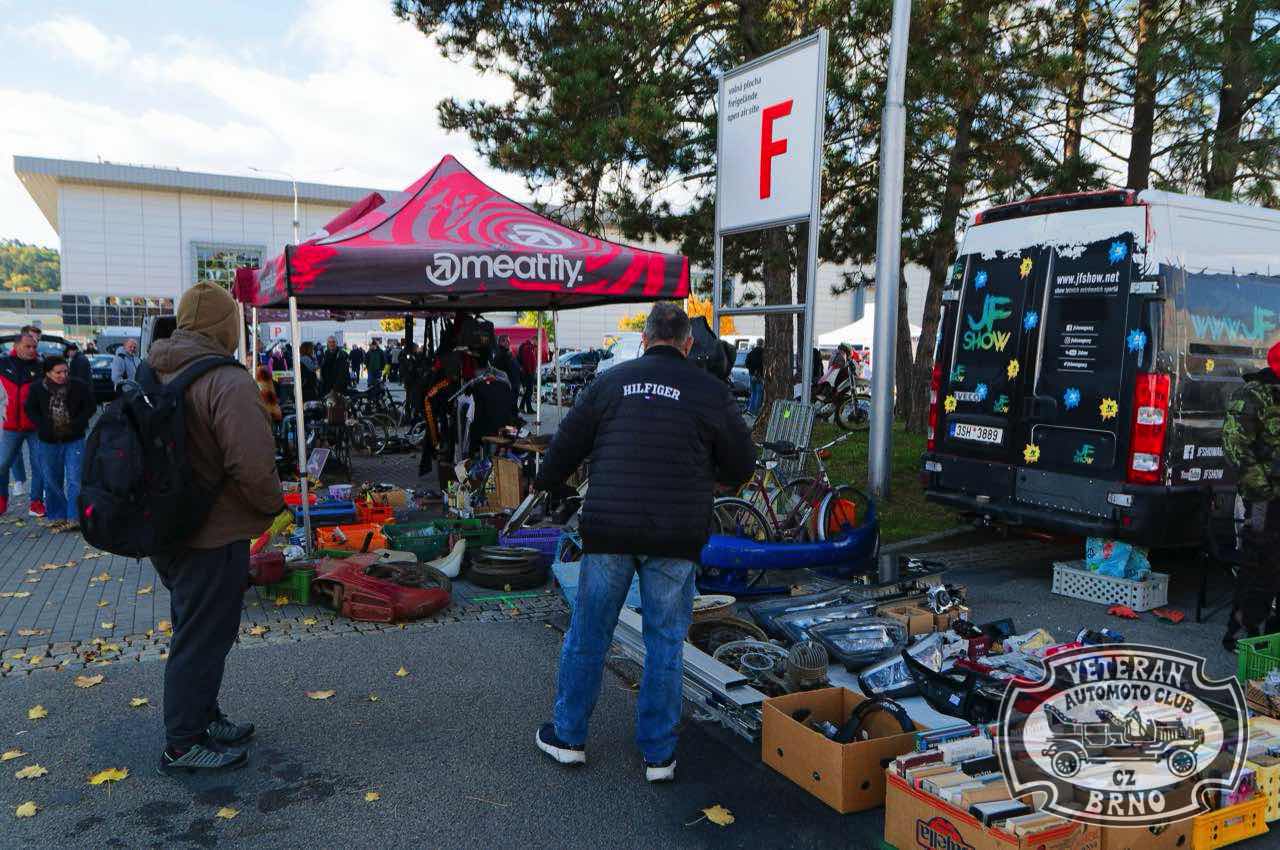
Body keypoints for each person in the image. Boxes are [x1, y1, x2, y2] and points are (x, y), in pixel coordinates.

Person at [532, 302, 755, 782]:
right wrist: (710, 473)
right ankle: (658, 754)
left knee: (589, 634)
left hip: (610, 529)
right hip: (676, 534)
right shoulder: (710, 391)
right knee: (665, 643)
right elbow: (742, 463)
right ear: (687, 343)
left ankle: (568, 736)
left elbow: (565, 445)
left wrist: (548, 484)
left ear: (644, 338)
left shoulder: (610, 382)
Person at [144, 281, 285, 774]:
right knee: (202, 638)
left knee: (197, 630)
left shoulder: (155, 367)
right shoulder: (226, 380)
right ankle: (183, 742)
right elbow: (253, 464)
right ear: (226, 327)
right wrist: (274, 506)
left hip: (168, 529)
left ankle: (202, 718)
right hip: (213, 532)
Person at [1223, 338, 1280, 649]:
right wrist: (1263, 491)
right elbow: (1235, 446)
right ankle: (1244, 634)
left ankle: (1273, 638)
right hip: (1264, 500)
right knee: (1259, 565)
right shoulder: (1253, 395)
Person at [24, 356, 93, 530]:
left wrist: (77, 423)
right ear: (48, 373)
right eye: (58, 372)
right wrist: (42, 425)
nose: (63, 375)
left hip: (74, 439)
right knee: (52, 479)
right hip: (48, 441)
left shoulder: (78, 386)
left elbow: (90, 407)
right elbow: (30, 409)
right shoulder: (37, 388)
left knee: (75, 479)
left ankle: (75, 517)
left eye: (65, 371)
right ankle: (57, 515)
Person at [0, 333, 45, 517]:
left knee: (39, 465)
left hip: (35, 426)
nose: (32, 350)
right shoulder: (3, 363)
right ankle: (2, 500)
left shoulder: (41, 367)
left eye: (34, 347)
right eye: (28, 346)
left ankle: (36, 502)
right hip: (9, 426)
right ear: (16, 346)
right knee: (2, 464)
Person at [517, 338, 537, 414]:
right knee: (529, 391)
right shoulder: (528, 348)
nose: (538, 343)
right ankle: (528, 408)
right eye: (537, 341)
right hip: (528, 374)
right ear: (534, 340)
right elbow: (527, 362)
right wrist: (530, 372)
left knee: (528, 391)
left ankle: (522, 407)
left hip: (528, 373)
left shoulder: (530, 348)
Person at [745, 338, 764, 415]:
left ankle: (751, 410)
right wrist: (757, 372)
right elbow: (762, 364)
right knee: (759, 394)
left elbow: (747, 364)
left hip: (751, 375)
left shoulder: (751, 353)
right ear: (762, 343)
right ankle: (756, 411)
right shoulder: (763, 353)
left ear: (757, 343)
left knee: (753, 393)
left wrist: (752, 372)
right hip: (759, 376)